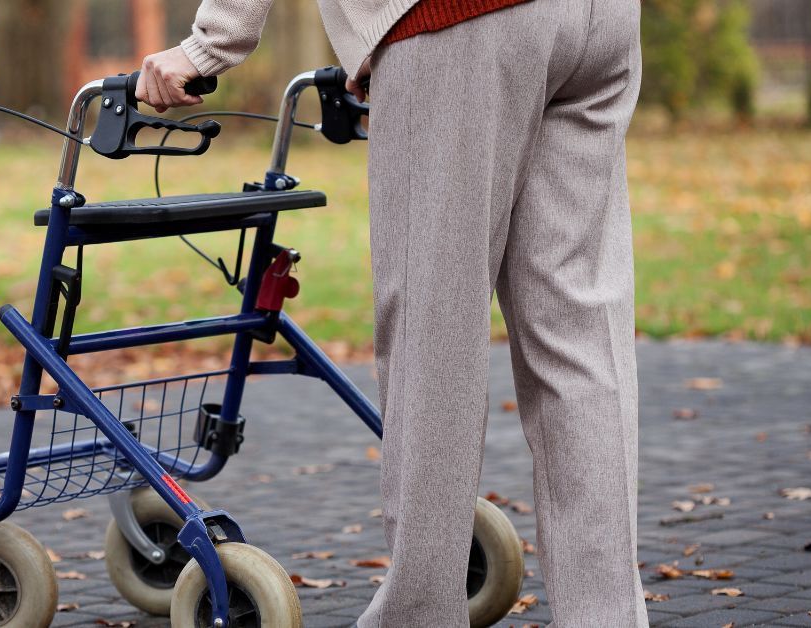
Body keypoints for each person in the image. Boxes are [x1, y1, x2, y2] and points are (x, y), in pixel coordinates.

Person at [135, 0, 649, 625]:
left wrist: (209, 46)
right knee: (580, 337)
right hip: (600, 25)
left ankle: (419, 616)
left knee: (435, 331)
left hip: (458, 21)